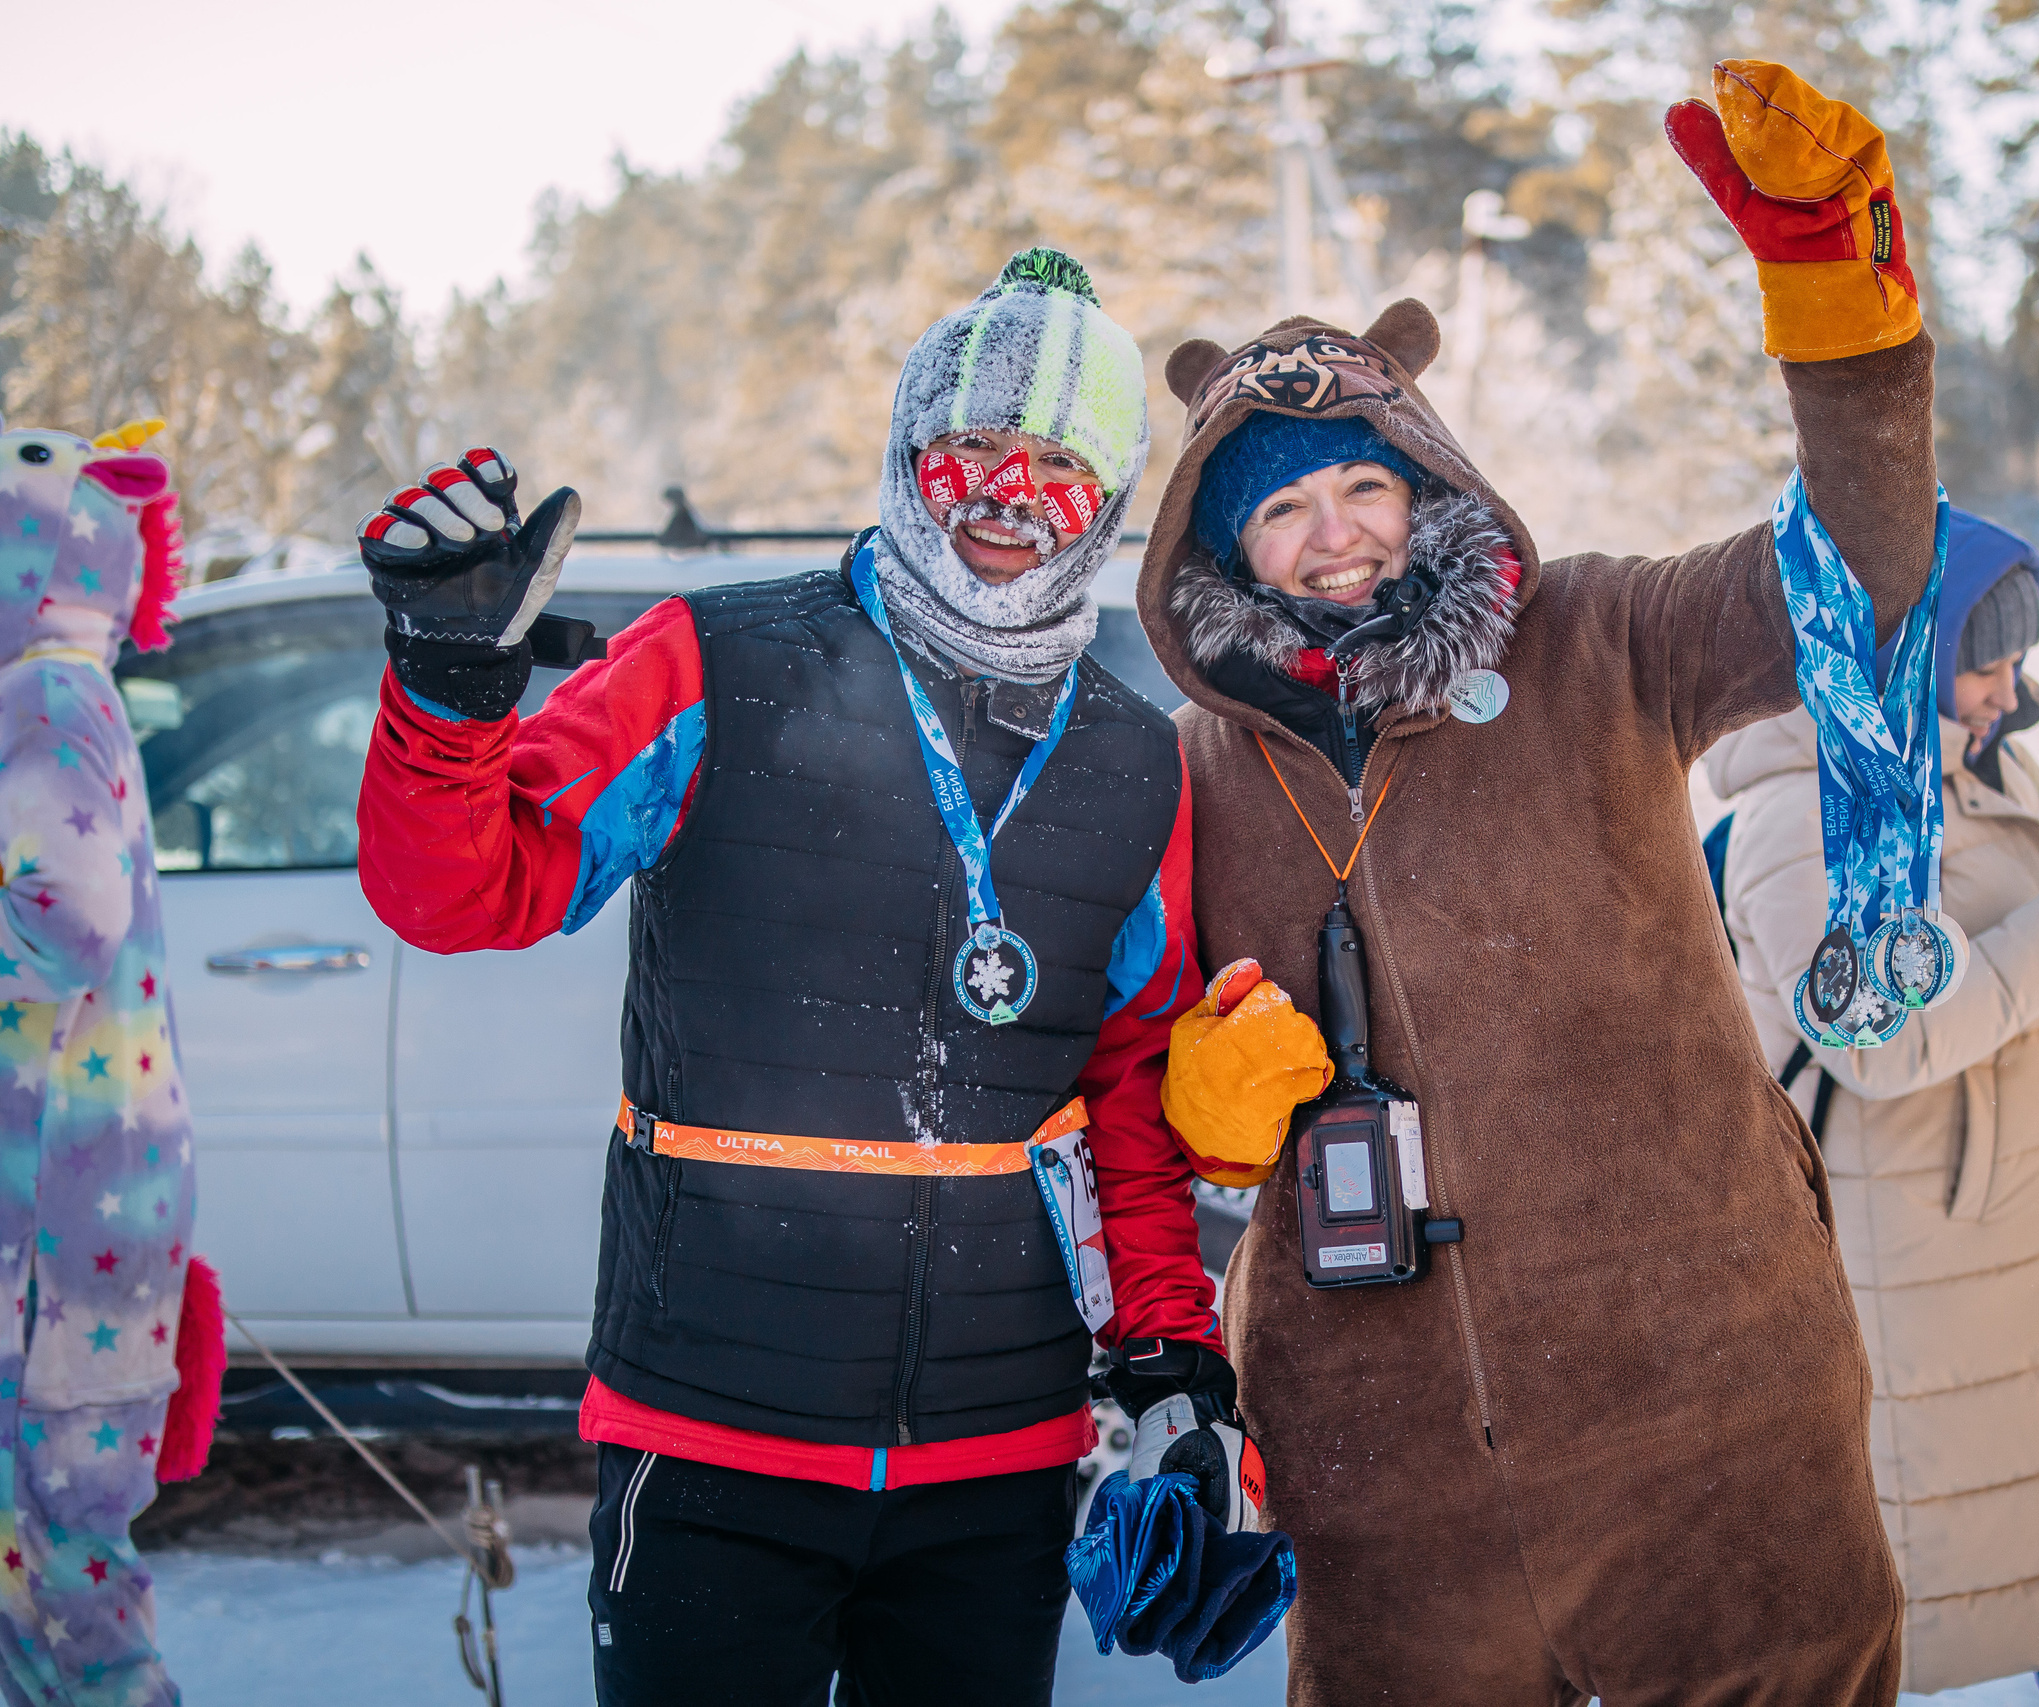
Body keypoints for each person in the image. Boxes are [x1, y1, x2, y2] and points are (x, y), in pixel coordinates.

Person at [355, 250, 1246, 1706]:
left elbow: (1129, 1099)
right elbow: (462, 893)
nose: (1009, 497)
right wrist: (449, 689)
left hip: (997, 1456)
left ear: (1112, 498)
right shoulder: (715, 657)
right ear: (907, 450)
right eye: (973, 450)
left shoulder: (1136, 757)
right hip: (711, 1426)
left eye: (1062, 469)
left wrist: (1168, 1350)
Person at [1138, 61, 1920, 1703]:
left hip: (1710, 1413)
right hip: (1389, 1476)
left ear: (1426, 483)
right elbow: (1128, 1076)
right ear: (1221, 547)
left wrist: (1833, 307)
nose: (1336, 534)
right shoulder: (1188, 772)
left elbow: (1857, 572)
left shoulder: (1601, 639)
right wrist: (1202, 1108)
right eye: (1282, 508)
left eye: (1364, 484)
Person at [1709, 509, 2039, 1702]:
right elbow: (1882, 1043)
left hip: (2029, 1260)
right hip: (1934, 1280)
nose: (2009, 693)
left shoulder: (1956, 763)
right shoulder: (1802, 811)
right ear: (1900, 651)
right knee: (1919, 1609)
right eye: (1984, 663)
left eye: (2017, 662)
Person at [0, 421, 198, 1707]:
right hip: (95, 1205)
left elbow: (63, 915)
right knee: (53, 1555)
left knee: (55, 1563)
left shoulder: (40, 697)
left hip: (62, 1232)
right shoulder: (69, 688)